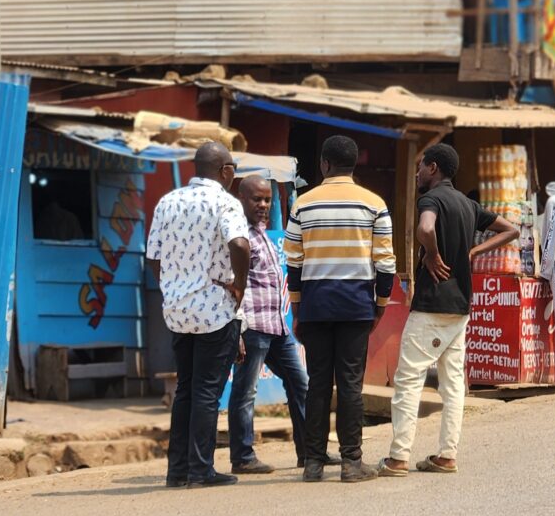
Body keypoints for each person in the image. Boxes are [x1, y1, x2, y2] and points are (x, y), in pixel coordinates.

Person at [376, 144, 518, 477]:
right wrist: (473, 252)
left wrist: (431, 254)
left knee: (409, 380)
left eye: (421, 166)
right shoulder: (468, 205)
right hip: (460, 307)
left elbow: (426, 228)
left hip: (431, 305)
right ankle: (447, 455)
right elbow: (511, 229)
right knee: (452, 384)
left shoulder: (431, 199)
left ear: (433, 168)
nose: (417, 173)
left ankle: (398, 458)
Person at [285, 135, 396, 483]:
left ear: (324, 164)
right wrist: (379, 304)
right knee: (350, 384)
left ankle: (313, 464)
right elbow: (386, 262)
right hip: (356, 304)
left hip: (316, 304)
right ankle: (351, 463)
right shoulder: (374, 203)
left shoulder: (303, 204)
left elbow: (294, 262)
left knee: (317, 384)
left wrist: (299, 310)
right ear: (353, 164)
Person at [147, 141, 250, 488]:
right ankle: (201, 469)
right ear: (226, 171)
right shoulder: (226, 202)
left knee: (186, 391)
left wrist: (171, 287)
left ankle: (177, 471)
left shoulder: (167, 201)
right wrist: (239, 286)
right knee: (207, 391)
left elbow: (152, 258)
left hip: (177, 310)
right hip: (214, 310)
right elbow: (239, 245)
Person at [227, 176, 339, 474]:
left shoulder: (261, 232)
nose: (263, 205)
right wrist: (239, 327)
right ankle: (242, 457)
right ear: (241, 198)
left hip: (277, 328)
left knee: (301, 384)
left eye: (266, 200)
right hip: (253, 328)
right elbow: (235, 285)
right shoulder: (239, 235)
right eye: (257, 200)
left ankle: (310, 452)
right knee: (245, 391)